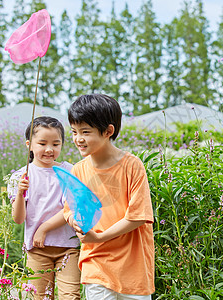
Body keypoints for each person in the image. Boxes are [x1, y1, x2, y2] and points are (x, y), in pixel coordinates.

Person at [63, 94, 155, 299]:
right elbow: (69, 210)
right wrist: (75, 222)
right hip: (95, 262)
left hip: (133, 267)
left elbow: (138, 216)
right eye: (74, 132)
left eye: (85, 132)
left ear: (108, 131)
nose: (78, 139)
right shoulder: (78, 171)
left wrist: (100, 237)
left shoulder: (132, 166)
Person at [7, 116, 81, 300]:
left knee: (70, 295)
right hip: (37, 250)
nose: (49, 149)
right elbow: (18, 219)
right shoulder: (20, 177)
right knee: (38, 296)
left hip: (68, 247)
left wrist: (43, 228)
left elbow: (69, 208)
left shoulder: (68, 171)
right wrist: (19, 194)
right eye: (42, 143)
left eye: (56, 144)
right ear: (29, 145)